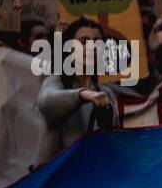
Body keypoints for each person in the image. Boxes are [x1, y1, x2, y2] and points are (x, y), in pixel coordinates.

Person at [34, 17, 121, 168]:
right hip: (60, 183)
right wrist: (82, 95)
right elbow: (47, 103)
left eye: (97, 42)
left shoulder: (106, 93)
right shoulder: (56, 82)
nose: (91, 47)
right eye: (83, 41)